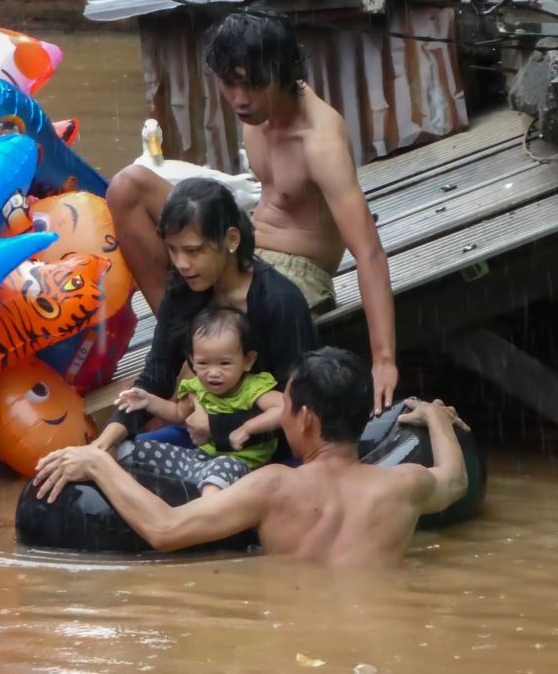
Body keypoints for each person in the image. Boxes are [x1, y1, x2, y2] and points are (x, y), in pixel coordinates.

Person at [107, 8, 399, 416]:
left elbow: (369, 251)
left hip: (298, 272)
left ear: (282, 74)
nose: (240, 99)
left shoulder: (319, 141)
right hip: (247, 245)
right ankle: (186, 345)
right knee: (127, 189)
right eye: (230, 85)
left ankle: (205, 360)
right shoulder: (255, 114)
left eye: (254, 85)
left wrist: (383, 360)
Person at [32, 347, 471, 568]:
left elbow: (165, 529)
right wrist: (435, 415)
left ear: (308, 420)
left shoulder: (274, 486)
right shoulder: (406, 485)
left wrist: (98, 463)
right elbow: (455, 480)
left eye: (287, 407)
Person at [61, 177, 318, 467]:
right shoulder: (183, 291)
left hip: (268, 454)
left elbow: (300, 410)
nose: (182, 264)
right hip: (205, 444)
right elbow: (158, 374)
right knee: (119, 460)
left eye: (194, 251)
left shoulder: (281, 303)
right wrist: (106, 440)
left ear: (231, 240)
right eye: (173, 250)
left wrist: (219, 428)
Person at [115, 305, 284, 495]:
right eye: (203, 363)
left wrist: (247, 428)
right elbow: (177, 412)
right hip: (199, 460)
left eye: (225, 363)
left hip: (241, 468)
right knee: (127, 450)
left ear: (248, 361)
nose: (213, 373)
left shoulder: (252, 388)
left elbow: (283, 408)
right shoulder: (197, 386)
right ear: (192, 360)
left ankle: (207, 512)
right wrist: (148, 401)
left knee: (219, 474)